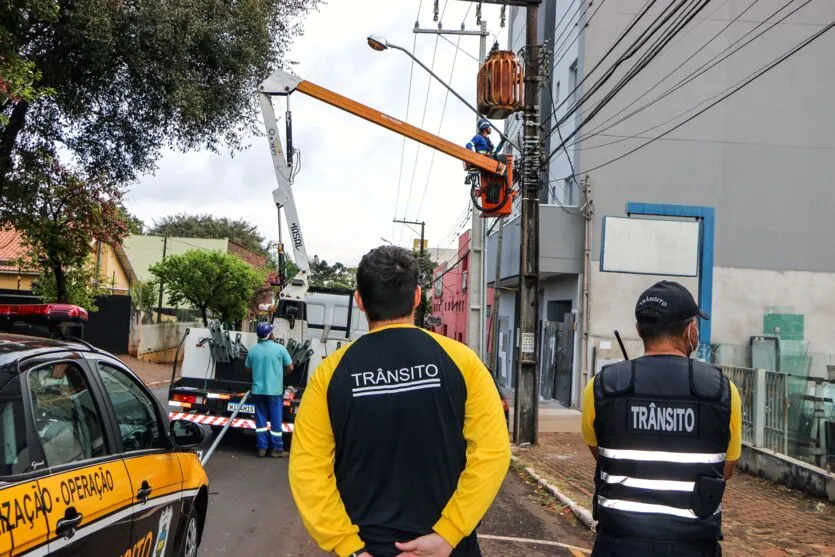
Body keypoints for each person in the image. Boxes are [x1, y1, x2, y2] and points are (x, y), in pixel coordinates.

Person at [289, 245, 510, 557]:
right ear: (418, 297)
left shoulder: (331, 373)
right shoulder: (463, 362)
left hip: (368, 548)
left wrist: (349, 547)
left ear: (360, 300)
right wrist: (448, 534)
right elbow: (492, 453)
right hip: (448, 549)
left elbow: (308, 467)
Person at [581, 280, 742, 557]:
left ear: (639, 330)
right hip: (694, 546)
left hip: (619, 544)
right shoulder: (723, 390)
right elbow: (725, 468)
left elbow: (601, 453)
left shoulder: (600, 386)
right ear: (690, 330)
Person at [245, 321, 294, 458]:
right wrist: (280, 375)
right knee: (275, 420)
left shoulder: (253, 350)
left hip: (258, 391)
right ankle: (277, 449)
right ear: (270, 335)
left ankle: (262, 448)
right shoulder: (280, 349)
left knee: (260, 420)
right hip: (274, 391)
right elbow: (290, 367)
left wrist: (258, 374)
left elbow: (248, 369)